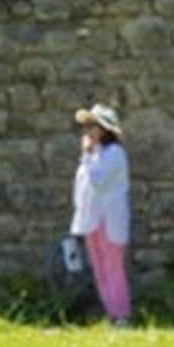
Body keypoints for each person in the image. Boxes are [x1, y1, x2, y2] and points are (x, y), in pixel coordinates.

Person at [70, 103, 131, 324]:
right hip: (92, 220)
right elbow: (82, 189)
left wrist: (86, 156)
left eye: (92, 127)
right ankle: (111, 313)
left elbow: (99, 181)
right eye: (86, 127)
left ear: (104, 130)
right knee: (99, 268)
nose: (87, 132)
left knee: (113, 268)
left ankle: (121, 314)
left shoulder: (114, 153)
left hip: (109, 219)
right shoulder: (93, 155)